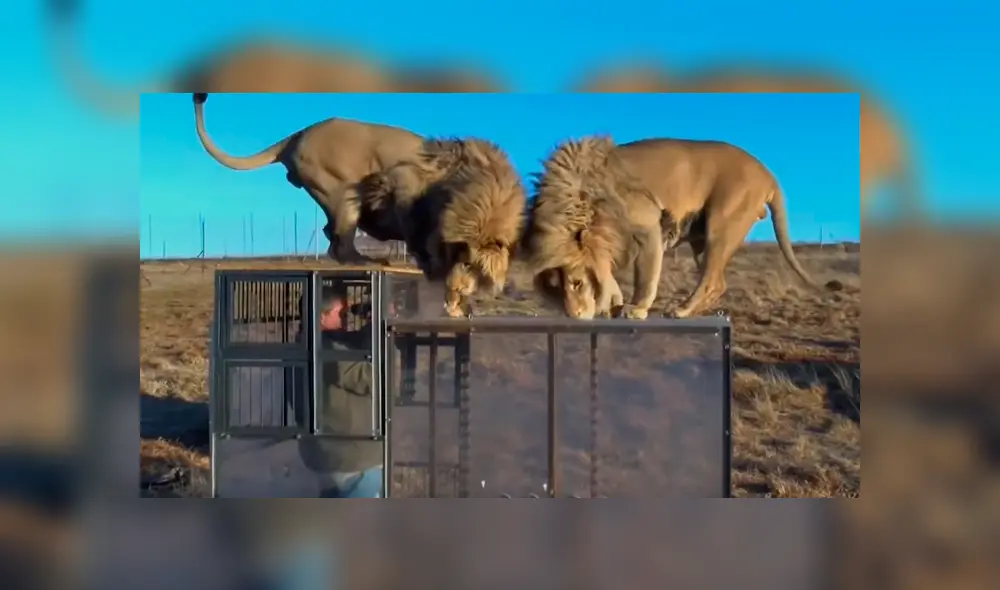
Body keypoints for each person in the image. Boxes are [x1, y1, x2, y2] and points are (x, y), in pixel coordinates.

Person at [296, 285, 384, 498]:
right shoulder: (325, 348)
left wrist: (372, 328)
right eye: (341, 315)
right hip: (351, 460)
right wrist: (383, 332)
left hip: (327, 455)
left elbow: (350, 345)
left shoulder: (307, 341)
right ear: (321, 317)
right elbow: (372, 379)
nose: (346, 320)